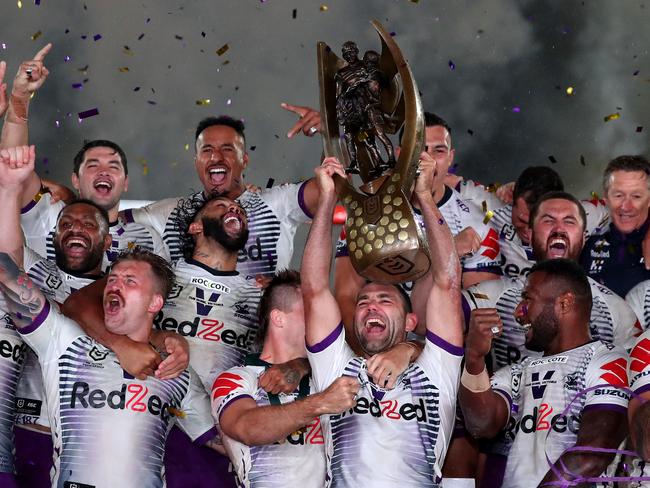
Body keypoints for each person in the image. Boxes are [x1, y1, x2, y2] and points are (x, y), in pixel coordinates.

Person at [0, 145, 188, 486]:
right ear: (54, 236)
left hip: (94, 443)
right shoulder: (38, 270)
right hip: (29, 433)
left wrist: (172, 340)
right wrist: (10, 188)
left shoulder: (120, 294)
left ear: (106, 241)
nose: (75, 228)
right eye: (66, 223)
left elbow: (149, 334)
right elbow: (6, 262)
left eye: (89, 224)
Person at [302, 152, 464, 485]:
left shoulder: (437, 368)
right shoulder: (334, 367)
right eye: (363, 301)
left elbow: (447, 283)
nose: (371, 306)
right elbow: (315, 288)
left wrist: (423, 196)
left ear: (410, 322)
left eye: (385, 300)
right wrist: (328, 200)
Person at [0, 246, 216, 487]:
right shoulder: (66, 342)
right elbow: (8, 273)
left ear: (155, 303)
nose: (114, 285)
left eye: (129, 281)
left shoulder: (175, 371)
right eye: (111, 279)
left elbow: (221, 438)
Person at [334, 111, 501, 352]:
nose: (428, 159)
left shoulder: (477, 224)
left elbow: (471, 320)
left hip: (440, 354)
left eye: (439, 150)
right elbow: (346, 297)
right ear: (401, 154)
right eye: (419, 149)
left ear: (451, 157)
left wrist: (414, 354)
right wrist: (368, 358)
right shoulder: (368, 210)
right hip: (374, 348)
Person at [459, 259, 629, 487]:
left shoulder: (607, 359)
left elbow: (591, 455)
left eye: (528, 299)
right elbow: (481, 425)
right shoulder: (519, 369)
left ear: (564, 303)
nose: (518, 312)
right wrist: (474, 359)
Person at [212, 270, 359, 487]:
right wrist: (320, 403)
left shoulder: (325, 373)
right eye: (309, 309)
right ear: (278, 318)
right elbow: (247, 428)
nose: (322, 317)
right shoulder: (237, 377)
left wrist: (409, 348)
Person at [464, 191, 639, 369]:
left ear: (584, 237)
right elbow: (440, 320)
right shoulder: (493, 295)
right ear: (529, 235)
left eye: (569, 221)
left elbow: (634, 381)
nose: (559, 229)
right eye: (548, 220)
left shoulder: (615, 310)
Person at [581, 155, 650, 297]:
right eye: (618, 195)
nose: (626, 206)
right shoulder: (587, 248)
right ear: (606, 198)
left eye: (636, 196)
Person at [488, 166, 564, 279]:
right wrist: (494, 192)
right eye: (522, 220)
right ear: (512, 199)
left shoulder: (573, 232)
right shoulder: (490, 212)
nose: (528, 233)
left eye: (539, 224)